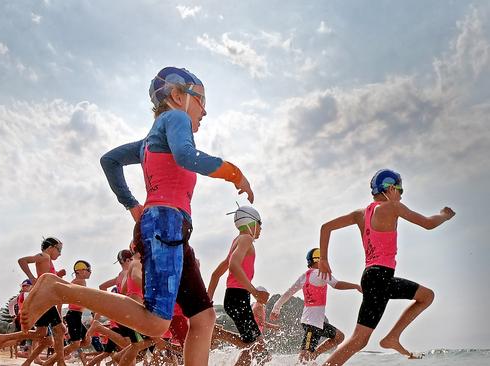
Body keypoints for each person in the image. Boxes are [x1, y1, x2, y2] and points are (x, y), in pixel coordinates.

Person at [21, 67, 255, 366]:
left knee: (204, 316)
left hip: (170, 226)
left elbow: (110, 160)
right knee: (157, 322)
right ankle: (59, 289)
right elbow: (185, 155)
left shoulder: (149, 140)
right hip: (165, 223)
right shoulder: (176, 117)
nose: (205, 112)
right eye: (202, 100)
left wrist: (132, 205)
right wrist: (233, 172)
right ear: (177, 96)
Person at [318, 169, 456, 365]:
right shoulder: (393, 207)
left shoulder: (360, 214)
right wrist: (444, 215)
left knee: (426, 296)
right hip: (380, 278)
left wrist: (323, 259)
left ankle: (392, 338)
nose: (401, 195)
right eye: (401, 190)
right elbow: (428, 223)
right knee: (359, 339)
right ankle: (389, 339)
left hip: (372, 277)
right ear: (391, 188)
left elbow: (326, 227)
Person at [271, 248, 360, 363]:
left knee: (339, 337)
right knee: (304, 357)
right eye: (324, 258)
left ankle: (315, 354)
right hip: (311, 323)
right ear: (318, 259)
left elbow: (289, 292)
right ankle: (309, 357)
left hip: (315, 322)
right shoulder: (321, 273)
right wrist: (356, 286)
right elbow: (336, 284)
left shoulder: (304, 276)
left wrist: (276, 308)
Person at [206, 206, 270, 366]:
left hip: (234, 298)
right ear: (251, 222)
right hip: (238, 297)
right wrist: (254, 292)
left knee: (251, 345)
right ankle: (220, 333)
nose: (261, 228)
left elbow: (215, 274)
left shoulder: (236, 242)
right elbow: (234, 266)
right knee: (257, 346)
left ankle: (220, 333)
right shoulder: (246, 239)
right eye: (259, 223)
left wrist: (207, 304)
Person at [0, 237, 67, 366]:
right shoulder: (44, 256)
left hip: (44, 299)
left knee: (41, 334)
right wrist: (31, 277)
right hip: (43, 299)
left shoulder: (48, 260)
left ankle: (3, 339)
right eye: (59, 250)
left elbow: (48, 280)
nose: (60, 253)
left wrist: (58, 275)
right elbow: (22, 261)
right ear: (51, 247)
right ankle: (60, 362)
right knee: (60, 329)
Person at [43, 260, 93, 366]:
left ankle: (61, 355)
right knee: (76, 344)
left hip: (76, 315)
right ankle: (52, 361)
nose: (90, 272)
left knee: (86, 341)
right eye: (88, 270)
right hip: (73, 315)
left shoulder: (79, 282)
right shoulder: (78, 282)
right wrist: (59, 316)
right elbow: (61, 299)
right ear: (80, 271)